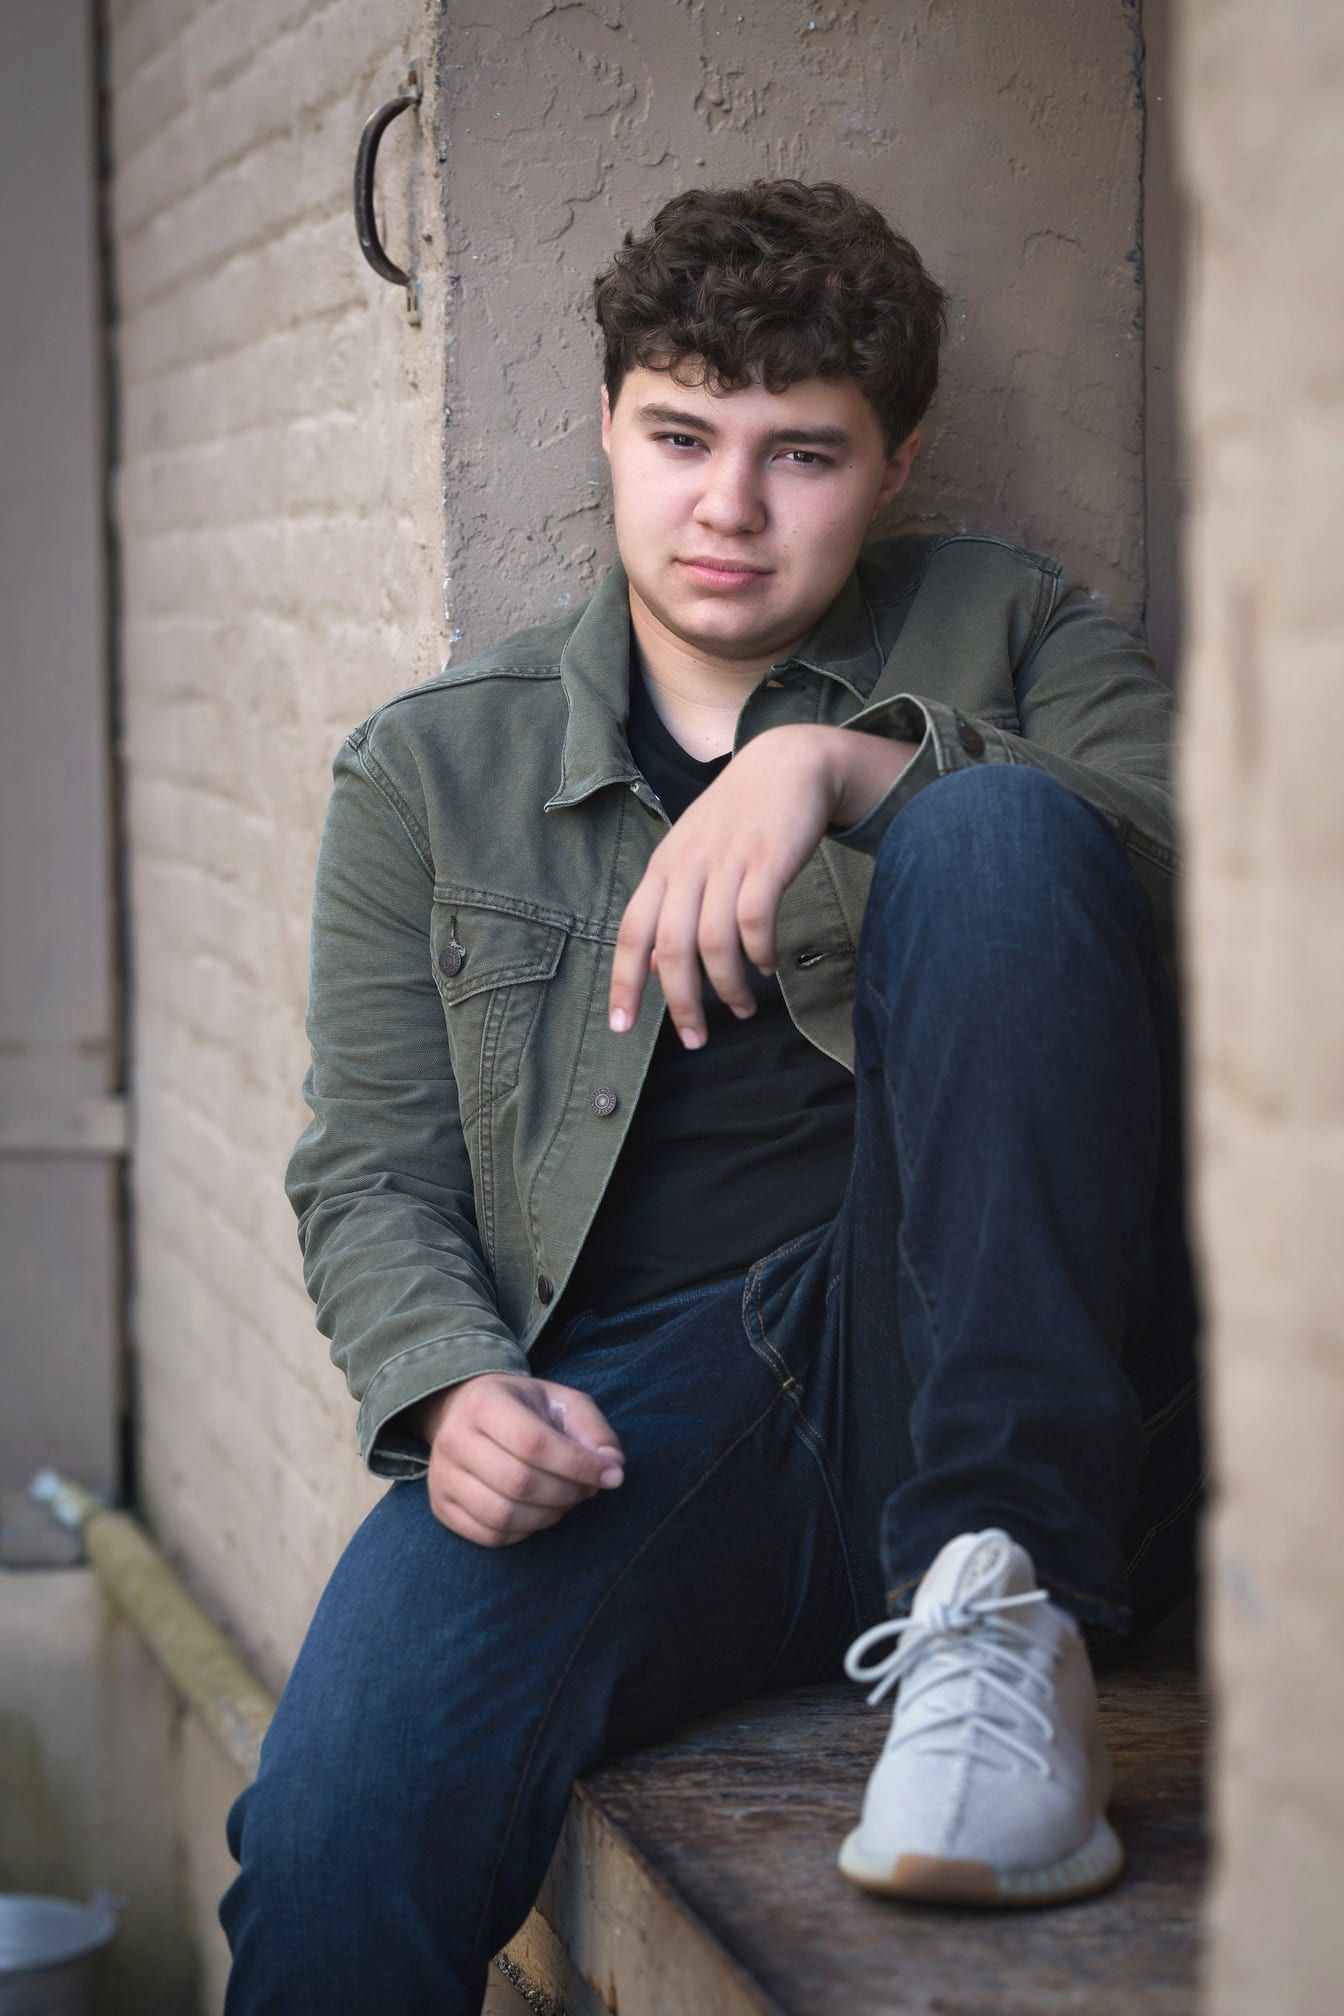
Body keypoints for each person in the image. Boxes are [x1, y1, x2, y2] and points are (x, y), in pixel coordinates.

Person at [220, 178, 1202, 2010]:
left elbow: (1204, 885)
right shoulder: (436, 768)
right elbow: (370, 1169)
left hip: (984, 1354)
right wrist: (441, 1386)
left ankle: (1007, 1606)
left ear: (897, 460)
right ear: (605, 424)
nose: (728, 508)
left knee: (997, 831)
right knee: (330, 1840)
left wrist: (853, 766)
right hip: (650, 1413)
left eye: (801, 454)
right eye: (680, 435)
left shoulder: (1013, 631)